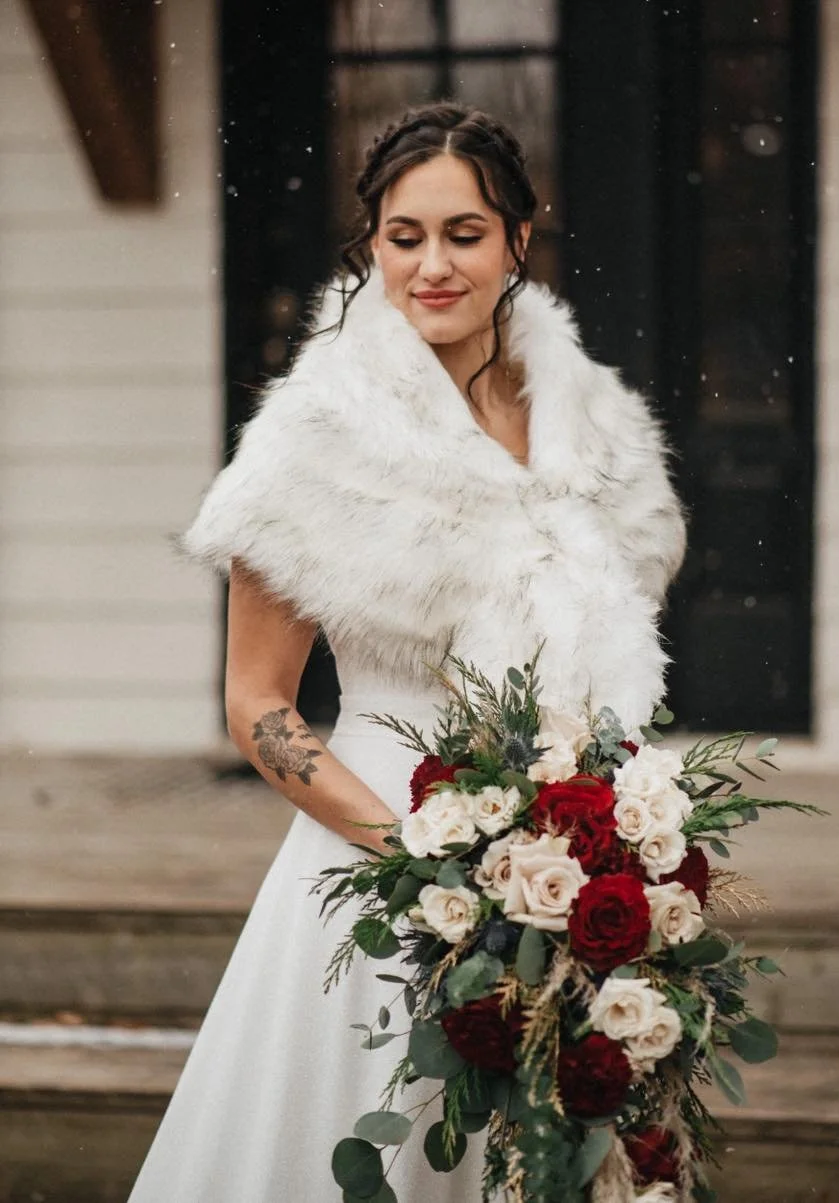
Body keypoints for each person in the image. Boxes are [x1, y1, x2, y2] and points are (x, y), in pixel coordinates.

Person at [128, 102, 686, 1202]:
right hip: (384, 863)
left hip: (576, 872)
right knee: (385, 1145)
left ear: (518, 242)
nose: (432, 265)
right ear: (371, 245)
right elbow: (258, 704)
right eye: (404, 236)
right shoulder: (311, 442)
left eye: (464, 234)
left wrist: (613, 851)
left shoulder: (603, 431)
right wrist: (428, 868)